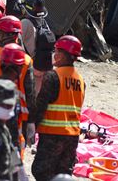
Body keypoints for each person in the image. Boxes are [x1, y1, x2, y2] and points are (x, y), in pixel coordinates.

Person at [32, 36, 85, 181]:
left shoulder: (53, 77)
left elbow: (40, 106)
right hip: (72, 136)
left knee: (41, 171)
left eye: (56, 51)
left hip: (52, 135)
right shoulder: (80, 80)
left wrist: (31, 128)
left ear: (62, 55)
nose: (54, 54)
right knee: (63, 173)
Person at [0, 16, 35, 142]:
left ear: (0, 34)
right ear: (17, 35)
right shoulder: (26, 60)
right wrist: (31, 121)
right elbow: (30, 95)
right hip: (18, 118)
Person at [19, 0, 56, 93]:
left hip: (29, 68)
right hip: (43, 66)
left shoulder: (25, 23)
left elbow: (15, 44)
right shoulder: (43, 22)